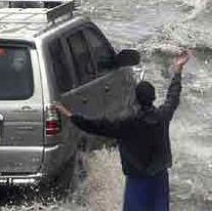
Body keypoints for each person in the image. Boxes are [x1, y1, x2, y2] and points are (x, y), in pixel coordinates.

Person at [54, 52, 192, 211]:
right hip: (160, 177)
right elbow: (173, 97)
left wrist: (68, 113)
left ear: (136, 99)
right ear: (153, 97)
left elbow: (95, 126)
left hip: (136, 181)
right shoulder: (163, 116)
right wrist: (178, 70)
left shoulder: (126, 124)